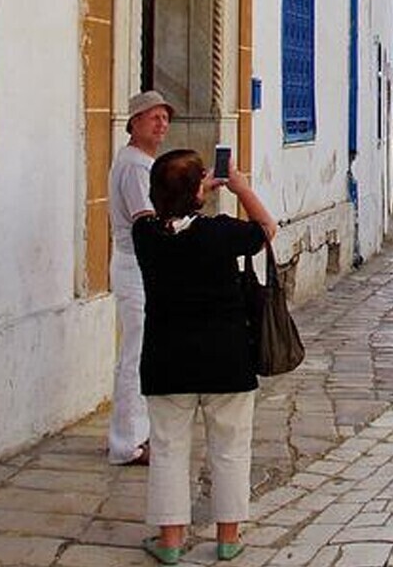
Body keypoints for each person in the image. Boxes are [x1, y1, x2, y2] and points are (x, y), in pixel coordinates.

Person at [133, 149, 277, 564]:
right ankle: (228, 538)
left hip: (166, 360)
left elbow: (159, 214)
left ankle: (171, 543)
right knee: (231, 449)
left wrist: (191, 191)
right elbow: (266, 229)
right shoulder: (220, 233)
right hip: (226, 359)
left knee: (168, 451)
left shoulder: (144, 235)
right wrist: (240, 187)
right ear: (199, 193)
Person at [108, 88, 173, 467]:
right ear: (134, 123)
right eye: (153, 117)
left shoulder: (143, 162)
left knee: (139, 351)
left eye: (165, 117)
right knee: (136, 355)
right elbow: (146, 220)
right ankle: (126, 443)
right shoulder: (135, 165)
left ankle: (136, 434)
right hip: (136, 268)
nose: (161, 123)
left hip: (137, 267)